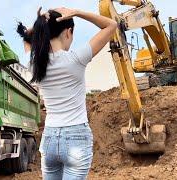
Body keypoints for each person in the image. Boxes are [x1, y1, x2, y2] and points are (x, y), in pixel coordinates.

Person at [17, 7, 117, 180]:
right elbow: (111, 25)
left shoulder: (34, 64)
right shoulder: (75, 59)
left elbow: (28, 37)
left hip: (49, 139)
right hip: (76, 137)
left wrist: (41, 23)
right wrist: (77, 12)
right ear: (68, 32)